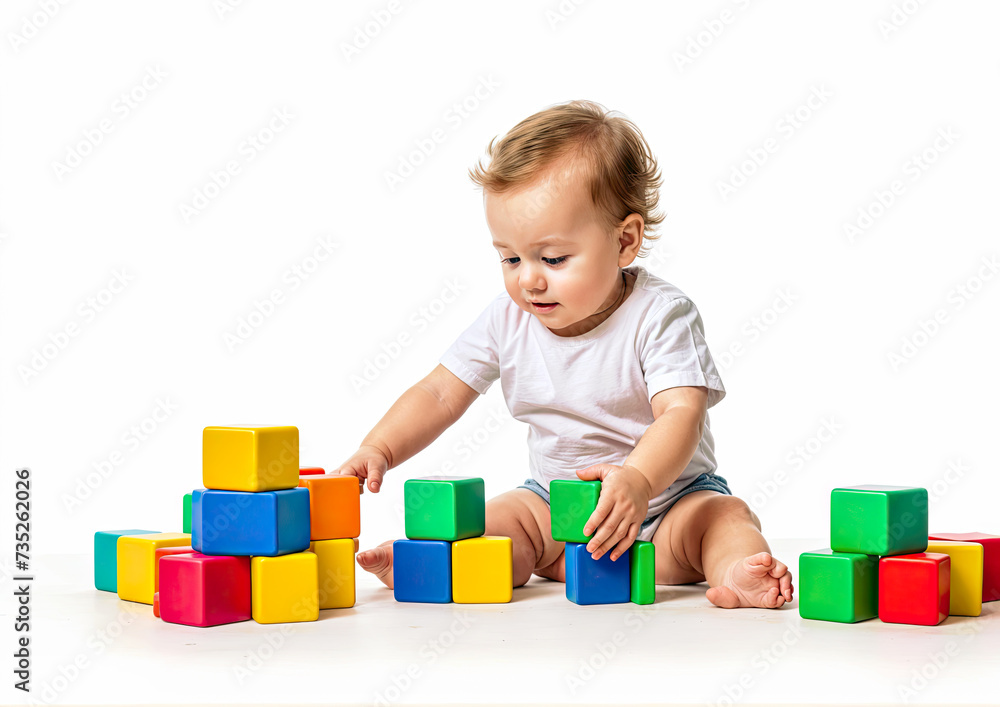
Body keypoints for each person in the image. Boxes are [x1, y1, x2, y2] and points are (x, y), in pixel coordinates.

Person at [336, 100, 793, 608]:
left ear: (624, 242)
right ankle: (435, 563)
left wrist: (639, 481)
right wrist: (379, 448)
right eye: (509, 257)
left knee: (724, 517)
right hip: (553, 511)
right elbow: (440, 392)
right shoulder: (508, 318)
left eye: (552, 258)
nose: (528, 278)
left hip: (666, 509)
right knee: (494, 522)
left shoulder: (661, 314)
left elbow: (682, 412)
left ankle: (737, 573)